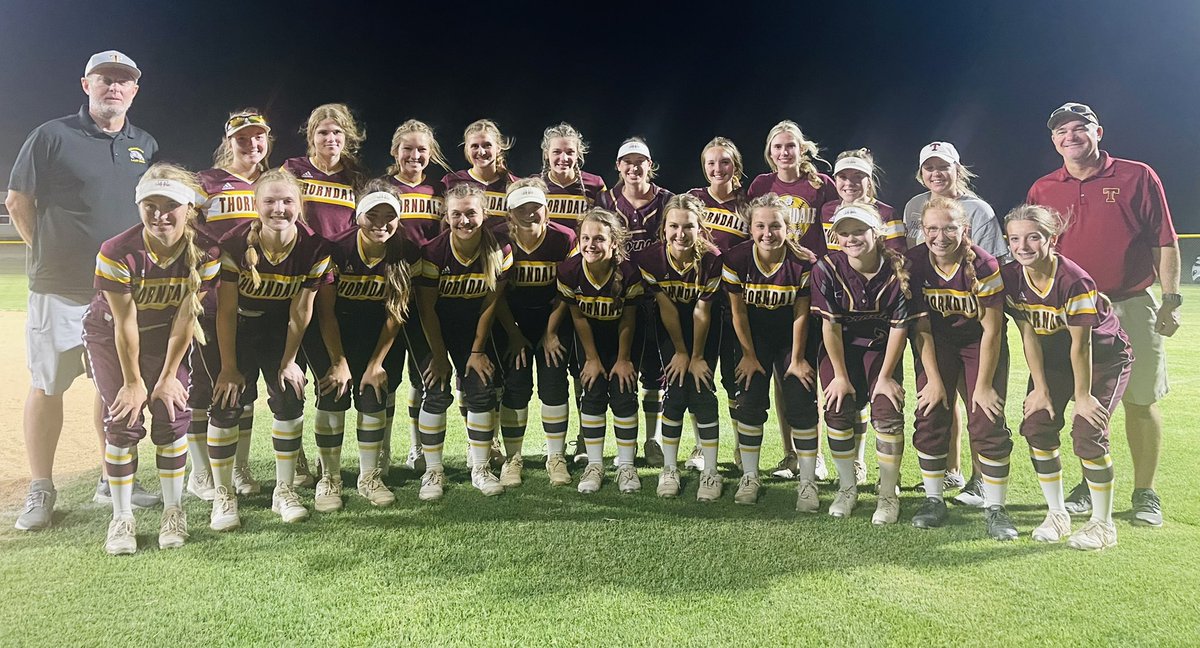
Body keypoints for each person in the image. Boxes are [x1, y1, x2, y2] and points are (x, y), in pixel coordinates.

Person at [8, 50, 160, 531]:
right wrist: (44, 253)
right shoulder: (51, 135)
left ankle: (110, 479)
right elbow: (17, 201)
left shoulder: (145, 144)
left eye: (123, 80)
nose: (114, 86)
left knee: (111, 387)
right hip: (60, 290)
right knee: (48, 385)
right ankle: (41, 488)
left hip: (120, 293)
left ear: (134, 90)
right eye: (104, 79)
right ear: (85, 84)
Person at [1026, 102, 1179, 528]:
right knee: (1083, 400)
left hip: (1128, 303)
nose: (1070, 136)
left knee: (1140, 399)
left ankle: (1145, 491)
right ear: (1053, 140)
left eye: (1080, 128)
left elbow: (1163, 241)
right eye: (1061, 131)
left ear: (1099, 132)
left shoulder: (1136, 174)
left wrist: (1170, 299)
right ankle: (1084, 483)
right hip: (1068, 312)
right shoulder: (1043, 187)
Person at [84, 164, 220, 554]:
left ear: (189, 208)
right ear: (138, 206)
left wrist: (165, 378)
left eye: (171, 205)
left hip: (166, 337)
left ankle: (173, 510)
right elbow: (124, 322)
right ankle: (121, 516)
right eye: (150, 204)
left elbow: (185, 317)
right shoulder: (117, 251)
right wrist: (132, 382)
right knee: (124, 417)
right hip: (112, 336)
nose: (160, 214)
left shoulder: (207, 252)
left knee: (171, 411)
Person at [1003, 204, 1132, 550]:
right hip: (1053, 360)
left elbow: (1082, 346)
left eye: (1033, 237)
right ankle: (1057, 513)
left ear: (1052, 239)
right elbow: (1027, 334)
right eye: (1015, 239)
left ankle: (1103, 525)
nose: (1023, 246)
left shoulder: (1073, 280)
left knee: (1088, 431)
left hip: (1103, 359)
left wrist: (1083, 396)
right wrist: (1041, 389)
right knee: (1038, 423)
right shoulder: (1012, 277)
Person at [211, 169, 334, 526]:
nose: (278, 208)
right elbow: (227, 311)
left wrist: (289, 361)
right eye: (270, 201)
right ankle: (224, 495)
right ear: (255, 205)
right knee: (228, 399)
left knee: (290, 394)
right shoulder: (234, 245)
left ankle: (284, 490)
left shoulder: (314, 247)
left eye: (287, 201)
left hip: (280, 330)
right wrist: (229, 366)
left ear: (300, 205)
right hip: (239, 327)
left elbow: (301, 310)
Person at [811, 204, 935, 523]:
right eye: (845, 233)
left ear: (876, 233)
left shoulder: (900, 268)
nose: (852, 238)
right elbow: (831, 326)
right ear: (836, 236)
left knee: (887, 412)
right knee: (838, 408)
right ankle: (847, 487)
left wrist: (884, 377)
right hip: (841, 349)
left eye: (860, 231)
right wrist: (839, 376)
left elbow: (899, 326)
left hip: (882, 349)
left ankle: (888, 494)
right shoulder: (826, 267)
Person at [300, 181, 417, 511]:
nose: (381, 222)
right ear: (357, 216)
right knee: (333, 395)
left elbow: (396, 314)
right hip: (332, 330)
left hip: (376, 332)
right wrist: (338, 361)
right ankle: (331, 477)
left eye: (389, 215)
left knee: (373, 395)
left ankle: (369, 477)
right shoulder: (333, 248)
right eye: (372, 215)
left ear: (399, 218)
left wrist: (376, 363)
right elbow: (325, 312)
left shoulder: (405, 251)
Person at [905, 197, 1017, 540]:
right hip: (936, 345)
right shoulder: (915, 262)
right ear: (922, 231)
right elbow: (920, 328)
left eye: (950, 227)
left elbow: (993, 329)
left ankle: (996, 506)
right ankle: (934, 499)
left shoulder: (981, 264)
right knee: (931, 412)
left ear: (964, 229)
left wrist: (983, 385)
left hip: (978, 344)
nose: (941, 236)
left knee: (986, 418)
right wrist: (934, 380)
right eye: (933, 229)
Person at [902, 141, 1008, 493]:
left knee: (980, 404)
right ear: (921, 173)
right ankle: (950, 472)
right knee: (936, 403)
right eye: (929, 168)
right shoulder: (915, 208)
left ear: (957, 169)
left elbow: (993, 265)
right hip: (935, 327)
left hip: (975, 325)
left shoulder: (978, 212)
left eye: (943, 167)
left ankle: (983, 483)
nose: (936, 173)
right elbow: (918, 273)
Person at [187, 108, 274, 503]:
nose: (252, 144)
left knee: (245, 389)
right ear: (229, 141)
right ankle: (200, 471)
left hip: (257, 301)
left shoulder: (274, 184)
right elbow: (185, 233)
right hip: (210, 299)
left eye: (259, 136)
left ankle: (238, 466)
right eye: (243, 138)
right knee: (203, 389)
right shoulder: (207, 183)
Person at [410, 183, 511, 500]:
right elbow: (426, 309)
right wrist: (440, 357)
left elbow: (490, 304)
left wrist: (477, 350)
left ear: (484, 214)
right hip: (432, 325)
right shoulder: (433, 252)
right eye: (457, 214)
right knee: (436, 390)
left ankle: (481, 468)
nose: (464, 221)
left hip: (472, 324)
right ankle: (433, 471)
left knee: (480, 390)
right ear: (446, 215)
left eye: (471, 213)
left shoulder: (500, 251)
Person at [747, 120, 835, 479]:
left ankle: (813, 456)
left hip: (808, 285)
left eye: (791, 146)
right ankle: (790, 454)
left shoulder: (820, 185)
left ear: (803, 149)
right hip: (771, 288)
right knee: (782, 377)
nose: (785, 153)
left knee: (803, 377)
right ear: (770, 152)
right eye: (778, 147)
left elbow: (830, 233)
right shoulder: (761, 185)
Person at [721, 194, 817, 506]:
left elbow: (801, 312)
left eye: (775, 225)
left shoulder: (803, 262)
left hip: (792, 337)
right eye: (760, 226)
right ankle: (750, 475)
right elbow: (738, 313)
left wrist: (799, 358)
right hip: (754, 337)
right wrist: (748, 355)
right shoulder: (736, 259)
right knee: (748, 400)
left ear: (788, 228)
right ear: (750, 228)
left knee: (800, 399)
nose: (767, 233)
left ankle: (807, 481)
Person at [634, 194, 722, 500]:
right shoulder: (650, 259)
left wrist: (696, 356)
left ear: (700, 229)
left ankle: (711, 472)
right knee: (674, 388)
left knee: (702, 389)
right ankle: (669, 468)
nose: (680, 234)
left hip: (705, 328)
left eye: (688, 227)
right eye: (673, 226)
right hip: (669, 327)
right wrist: (681, 352)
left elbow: (702, 311)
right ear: (664, 228)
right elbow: (667, 308)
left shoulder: (712, 259)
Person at [492, 179, 576, 487]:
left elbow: (567, 291)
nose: (530, 214)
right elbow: (495, 295)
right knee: (516, 385)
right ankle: (514, 457)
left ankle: (556, 455)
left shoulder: (565, 239)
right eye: (521, 209)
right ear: (509, 214)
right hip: (511, 322)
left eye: (535, 207)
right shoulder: (497, 240)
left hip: (554, 318)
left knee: (554, 383)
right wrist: (513, 334)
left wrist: (551, 332)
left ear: (547, 209)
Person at [599, 138, 675, 467]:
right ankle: (614, 440)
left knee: (655, 372)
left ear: (650, 164)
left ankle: (652, 439)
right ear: (618, 166)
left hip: (656, 295)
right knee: (614, 368)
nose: (633, 167)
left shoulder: (667, 200)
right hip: (616, 298)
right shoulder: (604, 200)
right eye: (626, 161)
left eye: (639, 161)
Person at [557, 208, 644, 494]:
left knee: (623, 392)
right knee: (591, 392)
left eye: (599, 239)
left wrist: (623, 359)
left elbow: (629, 320)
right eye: (585, 238)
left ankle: (627, 465)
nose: (590, 245)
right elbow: (578, 317)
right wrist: (591, 359)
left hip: (623, 339)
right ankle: (594, 464)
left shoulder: (628, 273)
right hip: (589, 339)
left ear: (613, 243)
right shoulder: (569, 270)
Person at [383, 119, 452, 474]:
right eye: (407, 148)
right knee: (388, 376)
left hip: (428, 293)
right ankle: (381, 451)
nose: (414, 155)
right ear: (395, 151)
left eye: (421, 149)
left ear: (430, 154)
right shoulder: (381, 188)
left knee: (421, 376)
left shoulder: (437, 192)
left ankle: (416, 448)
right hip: (389, 294)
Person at [685, 137, 748, 472]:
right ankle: (700, 445)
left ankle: (740, 447)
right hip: (702, 299)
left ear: (734, 165)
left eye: (724, 162)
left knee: (736, 379)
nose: (717, 168)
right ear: (703, 166)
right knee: (702, 372)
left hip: (736, 301)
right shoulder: (694, 199)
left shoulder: (747, 202)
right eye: (711, 162)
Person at [283, 103, 365, 241]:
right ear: (311, 137)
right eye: (323, 133)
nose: (331, 139)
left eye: (337, 132)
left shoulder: (357, 176)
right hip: (301, 253)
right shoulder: (292, 169)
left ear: (346, 136)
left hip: (341, 256)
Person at [441, 119, 518, 228]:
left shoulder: (514, 185)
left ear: (498, 148)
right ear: (467, 149)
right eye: (475, 146)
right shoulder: (452, 182)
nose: (481, 152)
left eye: (487, 145)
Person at [539, 122, 607, 230]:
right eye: (557, 152)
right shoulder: (534, 185)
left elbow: (605, 226)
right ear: (547, 154)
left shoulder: (595, 184)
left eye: (570, 152)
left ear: (577, 155)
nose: (564, 158)